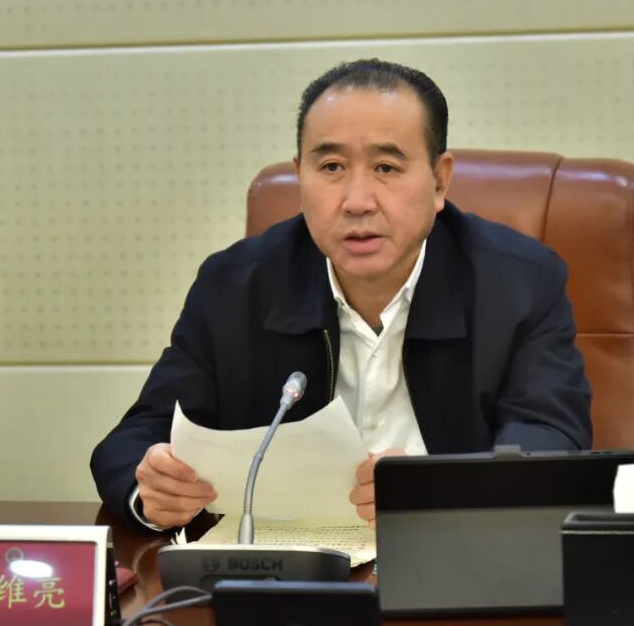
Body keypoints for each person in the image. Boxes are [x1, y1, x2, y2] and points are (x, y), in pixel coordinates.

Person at [91, 59, 591, 531]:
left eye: (386, 168)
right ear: (299, 176)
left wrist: (441, 489)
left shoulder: (519, 284)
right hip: (283, 567)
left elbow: (552, 440)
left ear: (440, 181)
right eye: (331, 167)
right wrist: (152, 488)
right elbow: (136, 438)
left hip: (451, 553)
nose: (356, 202)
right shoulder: (235, 285)